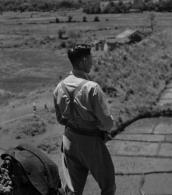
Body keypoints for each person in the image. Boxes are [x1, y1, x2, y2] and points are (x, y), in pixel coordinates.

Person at [53, 44, 116, 195]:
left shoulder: (59, 87)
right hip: (91, 142)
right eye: (91, 59)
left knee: (73, 190)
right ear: (83, 61)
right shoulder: (92, 88)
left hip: (69, 140)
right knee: (108, 186)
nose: (92, 62)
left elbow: (60, 119)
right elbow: (107, 123)